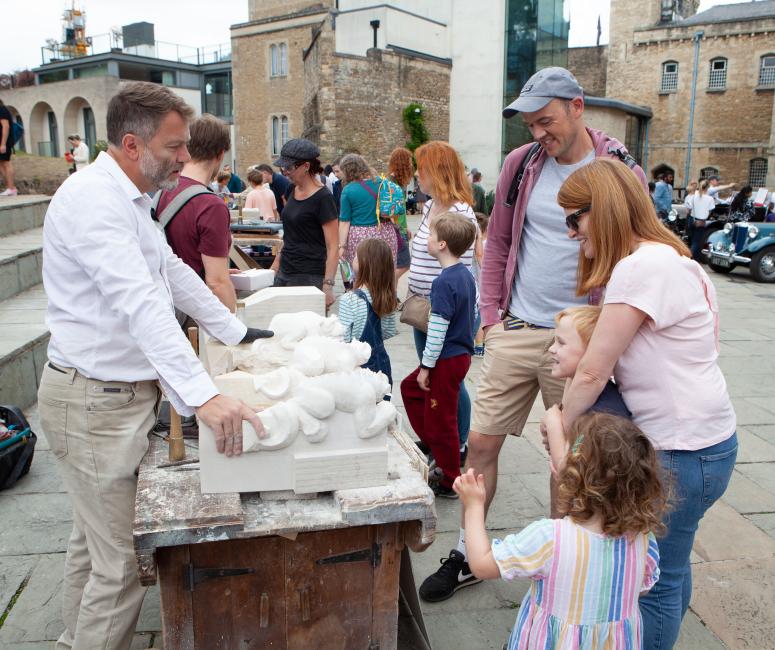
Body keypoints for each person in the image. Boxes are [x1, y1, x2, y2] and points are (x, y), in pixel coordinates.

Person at [37, 81, 273, 650]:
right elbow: (141, 303)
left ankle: (76, 638)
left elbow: (171, 274)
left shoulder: (130, 198)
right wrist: (202, 395)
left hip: (110, 397)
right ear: (132, 143)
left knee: (92, 546)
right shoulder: (94, 200)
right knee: (120, 568)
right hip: (94, 401)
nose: (183, 158)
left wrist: (235, 331)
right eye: (173, 147)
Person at [419, 66, 648, 604]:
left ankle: (559, 566)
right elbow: (495, 241)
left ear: (577, 106)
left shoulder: (620, 171)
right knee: (480, 442)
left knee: (567, 458)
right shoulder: (520, 166)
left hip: (582, 341)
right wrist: (492, 315)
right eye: (529, 124)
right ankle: (465, 550)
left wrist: (605, 337)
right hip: (516, 329)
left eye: (545, 120)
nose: (538, 133)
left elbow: (636, 255)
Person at [556, 157, 737, 650]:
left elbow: (594, 368)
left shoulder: (640, 267)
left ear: (606, 209)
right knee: (671, 569)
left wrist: (559, 424)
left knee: (652, 584)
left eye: (576, 218)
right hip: (707, 443)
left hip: (682, 448)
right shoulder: (669, 257)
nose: (572, 232)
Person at [455, 411, 664, 650]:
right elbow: (644, 587)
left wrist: (473, 506)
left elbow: (482, 565)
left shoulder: (551, 538)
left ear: (570, 477)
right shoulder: (642, 537)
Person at [401, 213, 478, 498]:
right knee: (412, 391)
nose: (427, 241)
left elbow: (438, 328)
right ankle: (436, 446)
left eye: (431, 236)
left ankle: (449, 477)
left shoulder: (444, 282)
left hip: (446, 357)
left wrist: (426, 365)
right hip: (458, 355)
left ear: (442, 244)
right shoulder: (464, 275)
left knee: (442, 417)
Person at [154, 113, 237, 313]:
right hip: (194, 314)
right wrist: (234, 328)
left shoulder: (162, 191)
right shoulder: (211, 205)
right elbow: (216, 283)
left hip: (164, 305)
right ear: (219, 154)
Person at [269, 138, 339, 307]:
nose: (285, 172)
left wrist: (328, 286)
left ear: (306, 166)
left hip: (310, 275)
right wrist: (275, 265)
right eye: (283, 167)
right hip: (285, 270)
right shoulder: (292, 190)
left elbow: (333, 246)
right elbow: (290, 233)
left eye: (289, 167)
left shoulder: (323, 198)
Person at [337, 238, 398, 387]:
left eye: (356, 256)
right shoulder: (388, 296)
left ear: (364, 263)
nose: (353, 258)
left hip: (357, 368)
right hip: (381, 366)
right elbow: (388, 331)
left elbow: (343, 338)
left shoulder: (349, 299)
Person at [338, 153, 398, 265]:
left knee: (362, 273)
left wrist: (341, 245)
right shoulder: (383, 183)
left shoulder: (348, 190)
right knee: (386, 271)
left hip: (360, 236)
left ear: (347, 171)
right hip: (385, 232)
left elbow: (345, 222)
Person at [388, 147, 414, 283]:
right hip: (396, 231)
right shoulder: (393, 184)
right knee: (404, 264)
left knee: (397, 265)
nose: (411, 165)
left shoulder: (395, 183)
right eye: (409, 162)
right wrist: (399, 228)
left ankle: (392, 295)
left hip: (399, 229)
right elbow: (391, 212)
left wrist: (406, 227)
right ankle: (387, 286)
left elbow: (400, 211)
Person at [472, 213, 489, 357]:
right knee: (480, 315)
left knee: (477, 314)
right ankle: (479, 345)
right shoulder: (484, 244)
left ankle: (478, 345)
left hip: (476, 283)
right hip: (481, 284)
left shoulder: (471, 244)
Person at [688, 179, 715, 260]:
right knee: (697, 242)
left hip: (691, 219)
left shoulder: (694, 196)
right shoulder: (710, 199)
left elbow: (688, 208)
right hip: (701, 221)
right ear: (707, 188)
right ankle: (689, 257)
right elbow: (710, 211)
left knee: (693, 241)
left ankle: (694, 259)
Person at [0, 99, 17, 196]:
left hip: (4, 142)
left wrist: (3, 144)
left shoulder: (2, 110)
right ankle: (10, 187)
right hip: (2, 142)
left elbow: (5, 126)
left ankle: (11, 188)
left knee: (6, 163)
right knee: (1, 164)